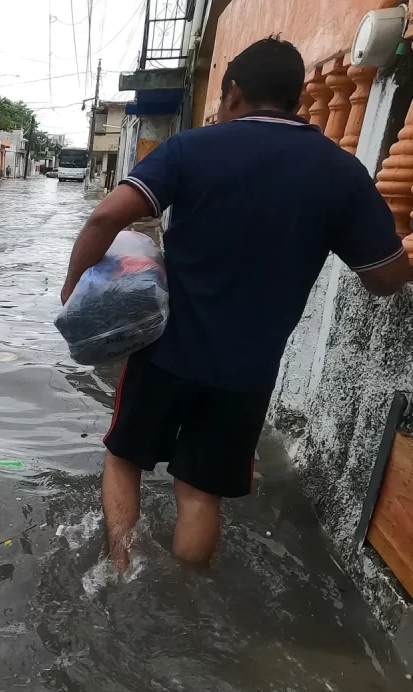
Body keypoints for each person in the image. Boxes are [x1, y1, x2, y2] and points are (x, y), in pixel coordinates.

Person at [60, 36, 413, 572]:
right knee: (200, 493)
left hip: (164, 353)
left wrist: (73, 289)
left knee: (124, 459)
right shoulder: (340, 173)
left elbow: (104, 218)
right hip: (247, 372)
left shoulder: (192, 148)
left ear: (233, 93)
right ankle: (184, 602)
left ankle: (121, 573)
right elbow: (386, 278)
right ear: (296, 98)